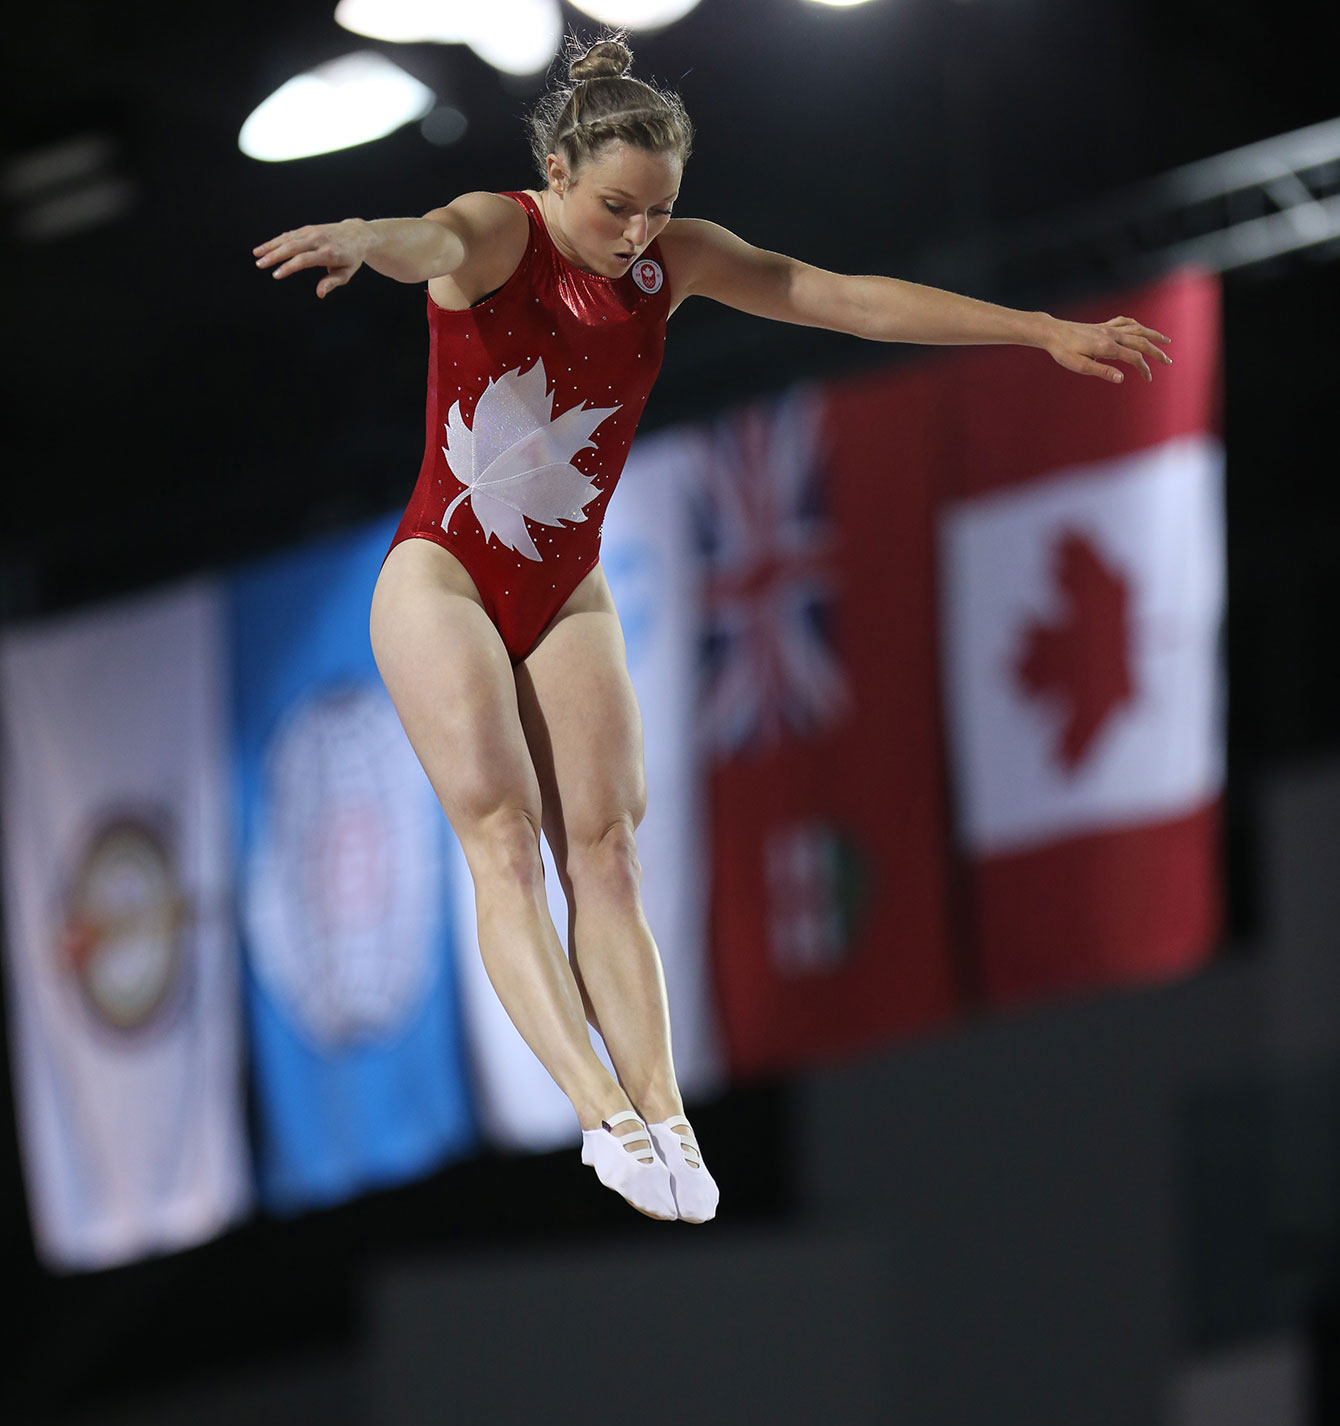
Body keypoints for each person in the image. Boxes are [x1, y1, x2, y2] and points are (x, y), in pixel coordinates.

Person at [253, 34, 1172, 1225]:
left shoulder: (669, 262)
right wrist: (367, 240)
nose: (635, 235)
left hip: (562, 584)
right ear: (555, 169)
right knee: (503, 834)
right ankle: (600, 1110)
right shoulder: (499, 231)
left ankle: (666, 1111)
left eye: (658, 211)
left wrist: (1035, 327)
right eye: (614, 207)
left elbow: (842, 298)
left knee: (610, 847)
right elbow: (425, 239)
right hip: (443, 575)